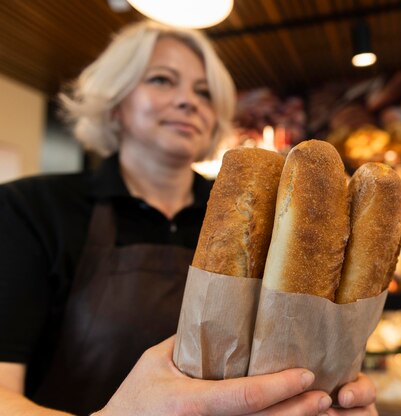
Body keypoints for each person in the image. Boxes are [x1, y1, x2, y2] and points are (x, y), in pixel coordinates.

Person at [0, 20, 377, 415]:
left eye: (204, 92)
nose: (188, 101)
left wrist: (326, 389)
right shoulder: (32, 208)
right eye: (162, 80)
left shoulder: (265, 221)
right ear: (115, 103)